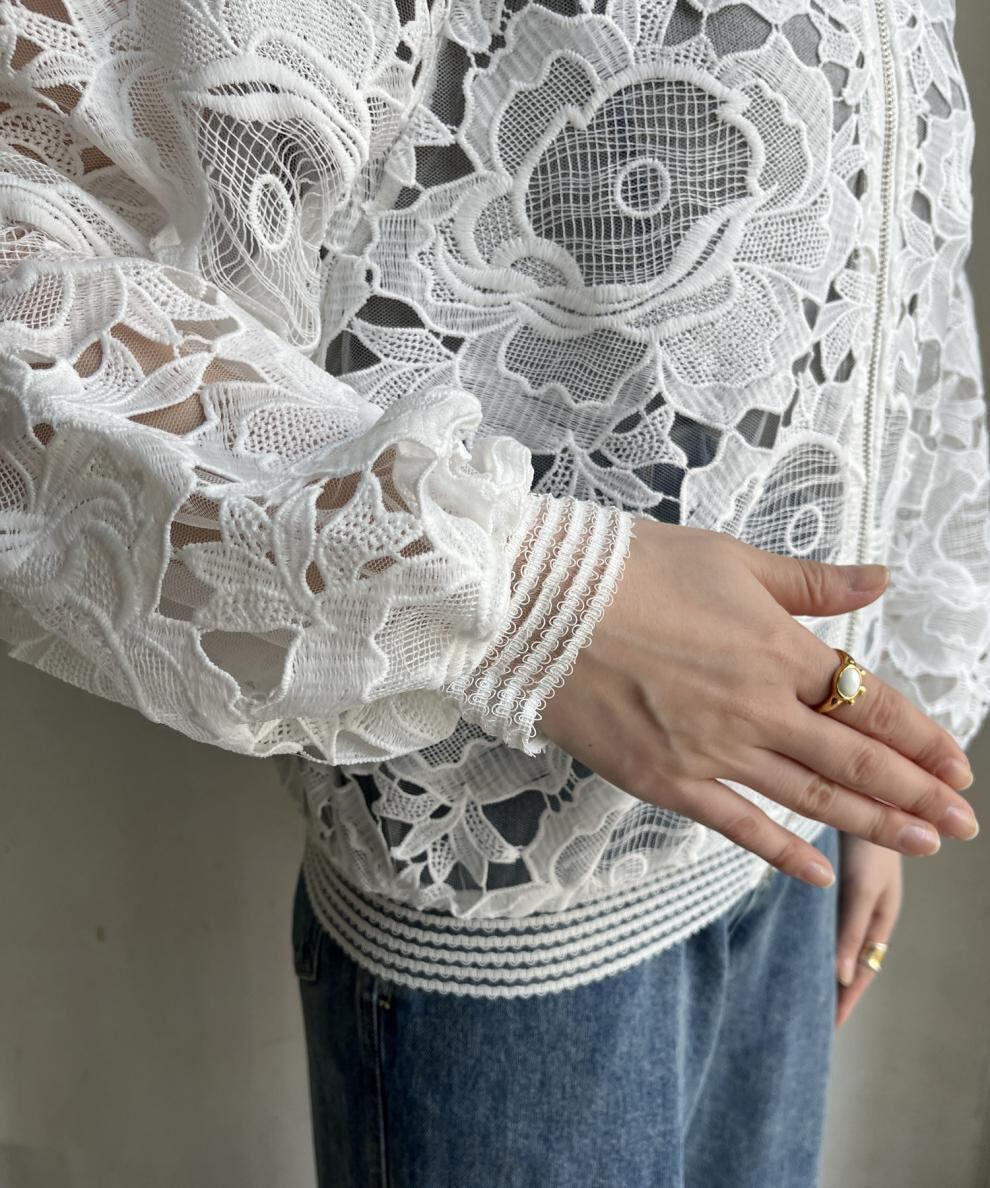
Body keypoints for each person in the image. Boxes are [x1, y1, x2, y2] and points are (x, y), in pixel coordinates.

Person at [1, 0, 987, 1185]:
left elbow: (894, 245)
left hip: (789, 820)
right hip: (511, 915)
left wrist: (882, 728)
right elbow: (33, 269)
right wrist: (538, 593)